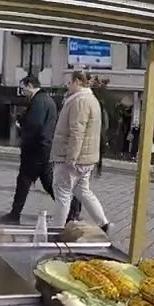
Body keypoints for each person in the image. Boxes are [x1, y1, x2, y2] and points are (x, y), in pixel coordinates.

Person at [0, 76, 79, 225]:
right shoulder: (47, 100)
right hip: (44, 148)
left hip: (35, 149)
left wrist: (22, 126)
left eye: (23, 88)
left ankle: (15, 215)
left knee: (24, 181)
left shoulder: (38, 101)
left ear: (30, 85)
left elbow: (35, 124)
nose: (22, 92)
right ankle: (72, 210)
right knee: (48, 183)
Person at [51, 70, 110, 231]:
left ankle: (57, 229)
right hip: (86, 157)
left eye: (69, 83)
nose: (67, 86)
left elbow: (77, 131)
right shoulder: (91, 99)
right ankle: (103, 223)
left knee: (63, 193)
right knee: (82, 191)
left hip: (73, 157)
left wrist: (71, 158)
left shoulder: (80, 101)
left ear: (77, 81)